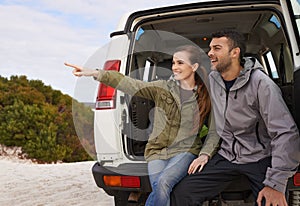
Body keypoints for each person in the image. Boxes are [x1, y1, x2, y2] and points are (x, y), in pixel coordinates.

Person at [65, 45, 219, 206]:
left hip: (185, 150)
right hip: (157, 151)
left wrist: (205, 154)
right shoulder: (162, 88)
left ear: (193, 67)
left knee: (163, 182)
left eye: (180, 63)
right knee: (159, 186)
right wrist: (96, 73)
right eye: (173, 63)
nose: (174, 67)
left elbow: (214, 131)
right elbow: (130, 84)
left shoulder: (206, 95)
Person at [171, 30, 300, 206]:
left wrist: (276, 183)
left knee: (271, 202)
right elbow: (216, 125)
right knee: (182, 193)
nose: (209, 53)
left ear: (235, 52)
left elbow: (285, 133)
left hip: (259, 157)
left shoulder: (262, 84)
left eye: (217, 48)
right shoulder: (213, 79)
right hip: (226, 155)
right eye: (210, 48)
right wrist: (205, 154)